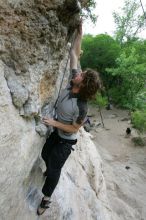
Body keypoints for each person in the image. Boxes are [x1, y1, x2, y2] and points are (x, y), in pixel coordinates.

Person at [37, 22, 101, 215]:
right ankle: (49, 171)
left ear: (82, 86)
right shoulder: (74, 80)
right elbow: (73, 54)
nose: (78, 73)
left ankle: (46, 199)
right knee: (44, 155)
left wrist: (54, 122)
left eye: (82, 75)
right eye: (80, 73)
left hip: (66, 141)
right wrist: (80, 34)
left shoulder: (81, 107)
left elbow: (75, 129)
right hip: (57, 133)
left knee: (54, 170)